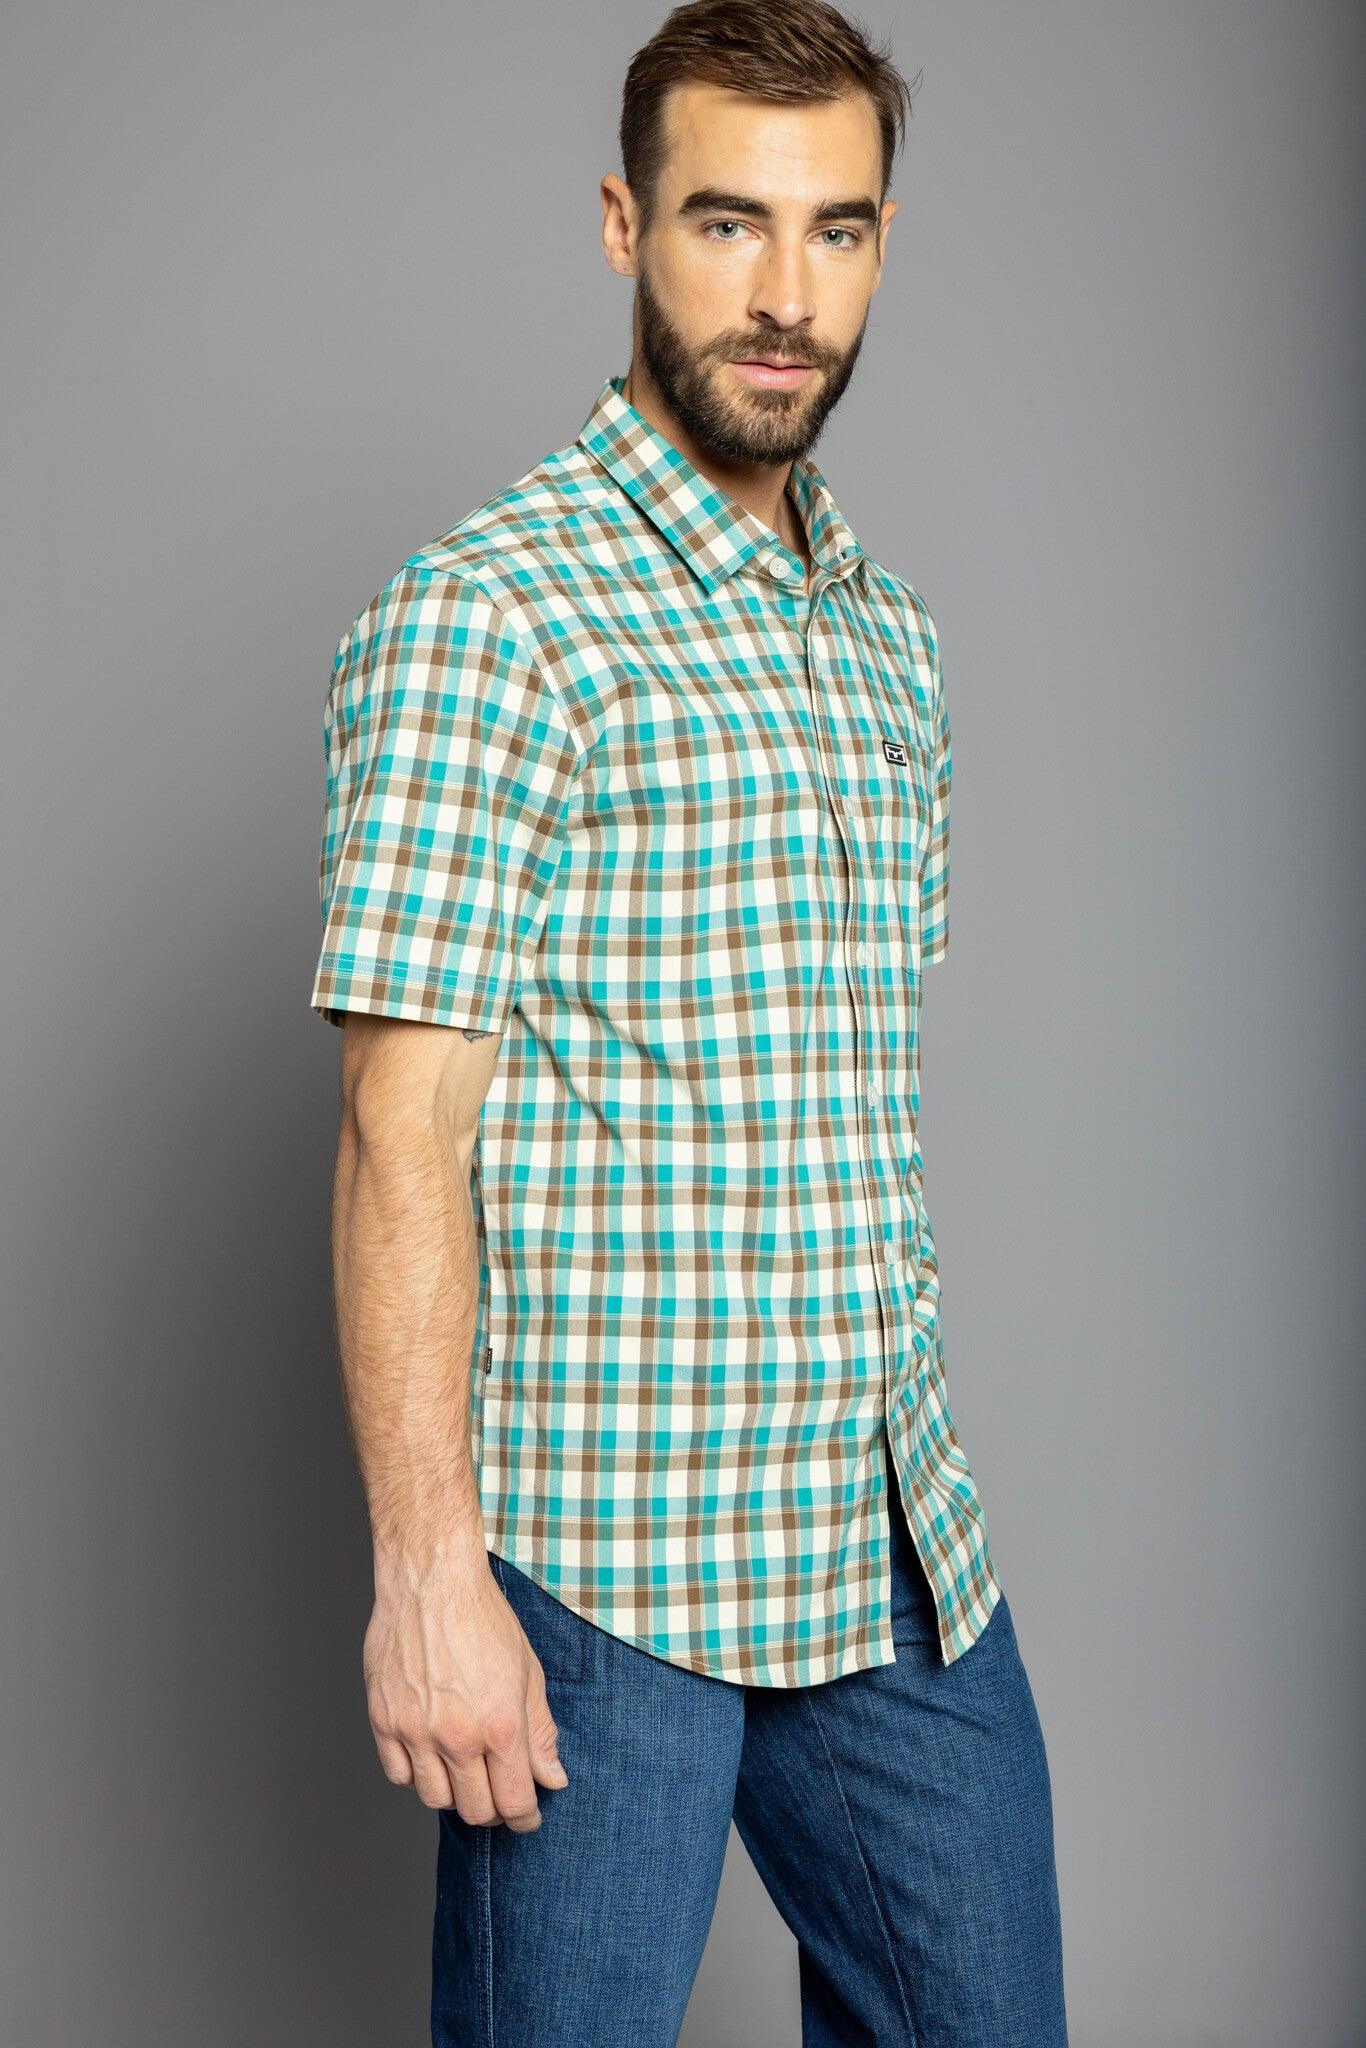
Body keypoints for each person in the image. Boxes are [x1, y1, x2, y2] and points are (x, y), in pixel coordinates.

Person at [309, 2, 1069, 2041]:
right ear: (622, 222)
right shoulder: (492, 615)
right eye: (727, 222)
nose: (782, 294)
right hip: (602, 1558)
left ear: (882, 244)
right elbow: (399, 1131)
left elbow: (840, 1104)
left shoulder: (886, 644)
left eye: (834, 230)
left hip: (882, 1535)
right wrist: (427, 1576)